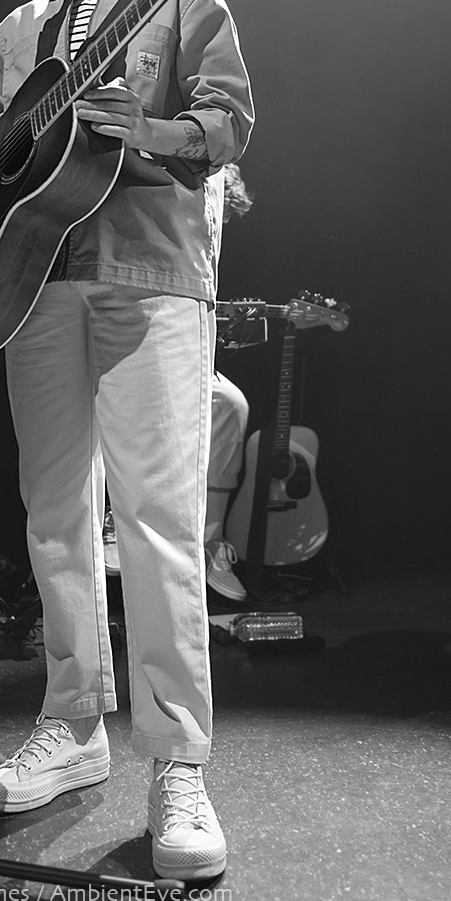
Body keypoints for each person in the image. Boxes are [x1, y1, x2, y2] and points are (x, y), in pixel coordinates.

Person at [0, 0, 253, 882]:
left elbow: (230, 121)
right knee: (53, 516)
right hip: (37, 281)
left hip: (150, 281)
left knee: (156, 524)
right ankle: (71, 728)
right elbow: (20, 154)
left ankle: (177, 763)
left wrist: (151, 125)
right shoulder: (18, 27)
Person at [103, 162, 253, 602]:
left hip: (179, 335)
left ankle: (210, 542)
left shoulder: (206, 244)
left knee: (229, 402)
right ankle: (114, 522)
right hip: (123, 314)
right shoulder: (150, 203)